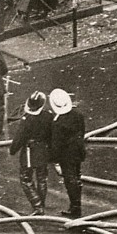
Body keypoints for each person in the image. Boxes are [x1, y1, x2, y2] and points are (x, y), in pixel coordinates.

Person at [9, 90, 53, 216]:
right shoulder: (48, 116)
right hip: (44, 150)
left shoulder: (26, 119)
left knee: (26, 179)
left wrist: (13, 150)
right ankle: (41, 204)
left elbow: (19, 137)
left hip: (29, 152)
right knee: (42, 178)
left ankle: (37, 205)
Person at [49, 88, 87, 218]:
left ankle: (75, 207)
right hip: (78, 149)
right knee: (77, 176)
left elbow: (56, 144)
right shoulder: (78, 114)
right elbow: (82, 131)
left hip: (66, 155)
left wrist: (54, 160)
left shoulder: (57, 123)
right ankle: (76, 204)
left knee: (70, 179)